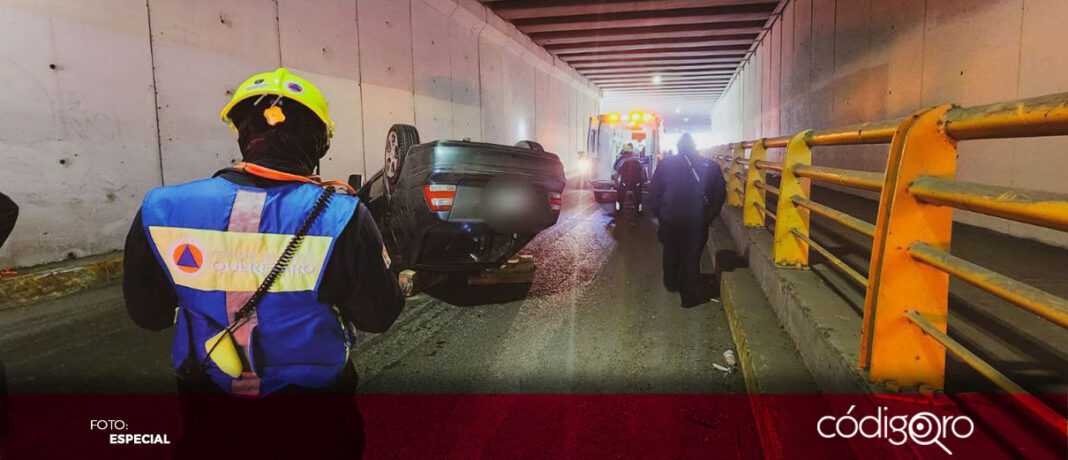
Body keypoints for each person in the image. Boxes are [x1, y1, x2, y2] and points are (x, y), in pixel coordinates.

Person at [122, 68, 404, 457]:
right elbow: (379, 315)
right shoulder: (343, 215)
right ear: (321, 144)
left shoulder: (162, 208)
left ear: (241, 133)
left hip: (208, 399)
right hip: (314, 409)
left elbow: (148, 314)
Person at [646, 133, 726, 308]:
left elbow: (654, 192)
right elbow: (719, 195)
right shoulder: (711, 166)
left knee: (670, 250)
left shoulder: (665, 164)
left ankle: (671, 282)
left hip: (670, 219)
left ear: (678, 146)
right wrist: (709, 216)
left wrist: (660, 213)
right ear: (695, 146)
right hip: (696, 222)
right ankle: (688, 297)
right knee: (691, 257)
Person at [613, 143, 646, 212]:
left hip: (625, 182)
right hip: (637, 182)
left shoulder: (621, 161)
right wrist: (643, 182)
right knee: (638, 195)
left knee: (621, 195)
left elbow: (617, 174)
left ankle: (620, 208)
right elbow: (642, 173)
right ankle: (638, 209)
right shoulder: (638, 161)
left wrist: (616, 185)